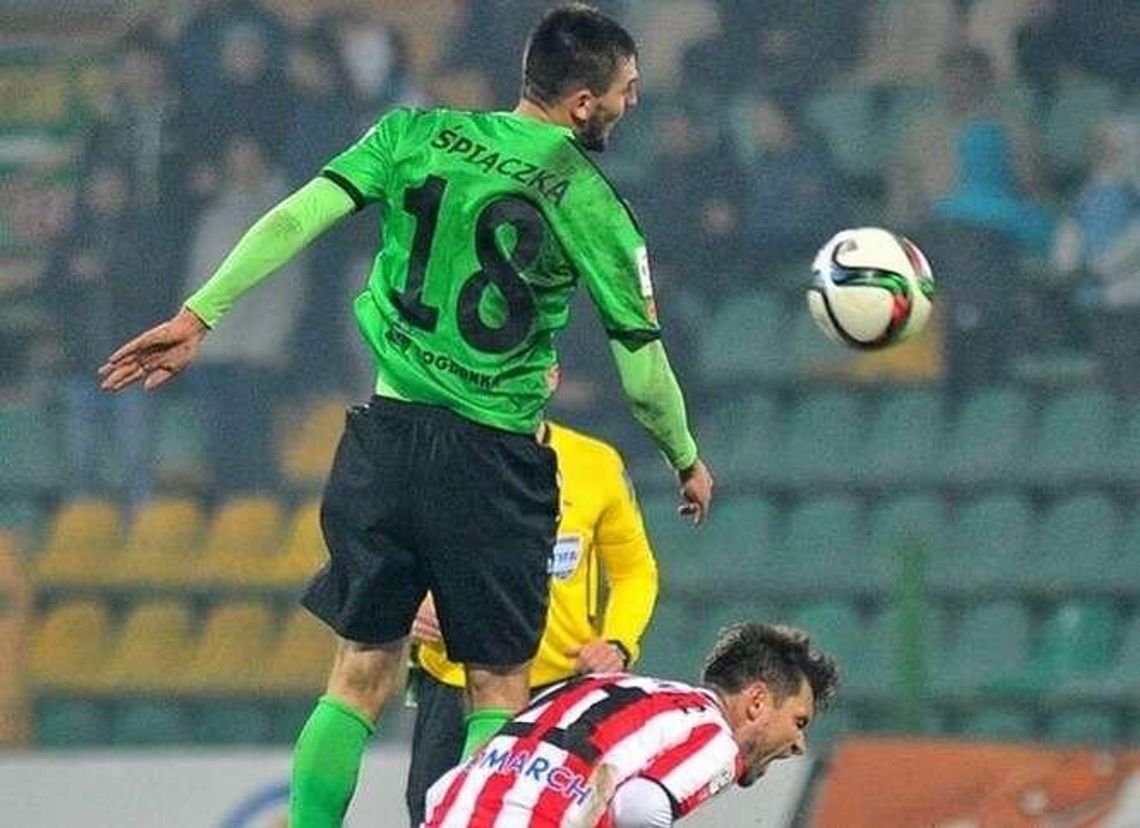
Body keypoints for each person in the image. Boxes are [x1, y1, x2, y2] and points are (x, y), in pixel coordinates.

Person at [97, 5, 714, 826]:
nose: (632, 103)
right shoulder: (591, 203)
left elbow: (296, 216)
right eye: (625, 91)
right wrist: (683, 455)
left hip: (383, 440)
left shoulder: (412, 134)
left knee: (357, 673)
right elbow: (642, 370)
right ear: (580, 103)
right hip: (492, 456)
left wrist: (201, 314)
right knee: (498, 680)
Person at [405, 413, 660, 825]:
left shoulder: (593, 463)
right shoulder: (433, 453)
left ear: (551, 373)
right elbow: (381, 547)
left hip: (559, 687)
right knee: (437, 813)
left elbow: (635, 572)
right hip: (455, 680)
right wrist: (408, 598)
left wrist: (618, 642)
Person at [422, 621, 838, 827]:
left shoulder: (605, 687)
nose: (799, 743)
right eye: (798, 721)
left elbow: (444, 788)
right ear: (757, 702)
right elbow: (642, 808)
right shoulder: (713, 735)